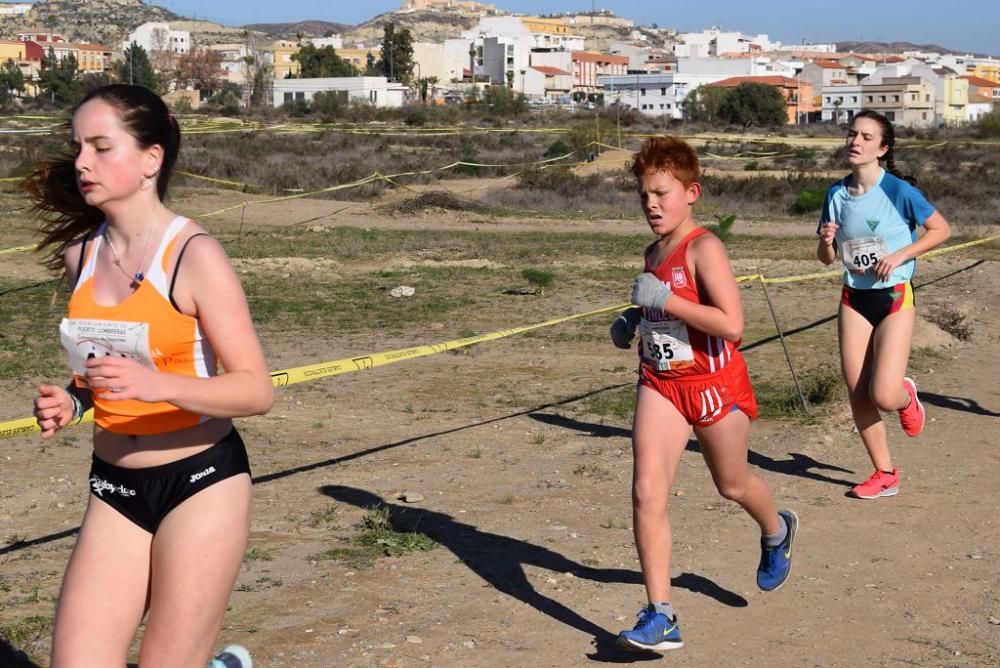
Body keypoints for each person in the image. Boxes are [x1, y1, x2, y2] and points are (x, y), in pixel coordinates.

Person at [26, 84, 272, 668]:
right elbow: (103, 369)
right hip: (113, 487)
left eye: (101, 147)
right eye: (78, 146)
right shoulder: (81, 257)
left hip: (200, 483)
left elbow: (255, 389)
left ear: (150, 159)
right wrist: (74, 399)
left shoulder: (193, 255)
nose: (82, 162)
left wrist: (159, 385)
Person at [609, 136, 797, 653]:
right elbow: (666, 312)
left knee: (731, 484)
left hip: (715, 385)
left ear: (692, 193)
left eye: (662, 194)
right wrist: (635, 319)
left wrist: (665, 297)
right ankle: (660, 613)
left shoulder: (705, 247)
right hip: (662, 383)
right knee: (647, 491)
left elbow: (731, 324)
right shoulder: (653, 251)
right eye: (644, 194)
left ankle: (776, 528)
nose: (651, 204)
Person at [817, 109, 950, 499]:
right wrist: (826, 242)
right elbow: (827, 258)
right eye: (852, 134)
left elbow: (942, 229)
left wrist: (901, 255)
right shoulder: (836, 194)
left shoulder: (898, 191)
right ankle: (885, 473)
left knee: (884, 394)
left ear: (883, 148)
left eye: (866, 137)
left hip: (894, 296)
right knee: (857, 391)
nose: (855, 142)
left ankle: (905, 396)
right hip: (854, 298)